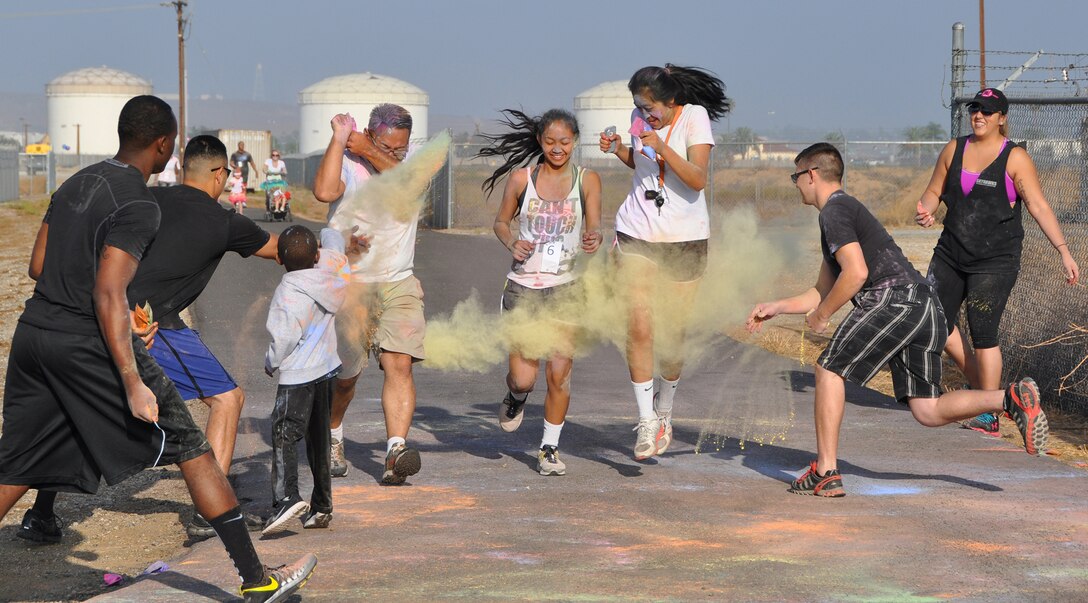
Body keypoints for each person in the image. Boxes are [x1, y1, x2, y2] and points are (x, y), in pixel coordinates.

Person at [0, 95, 316, 601]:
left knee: (17, 462)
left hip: (35, 334)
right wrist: (131, 379)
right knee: (193, 450)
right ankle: (257, 580)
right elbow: (108, 291)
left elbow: (38, 265)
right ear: (165, 145)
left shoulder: (76, 182)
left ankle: (40, 518)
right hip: (89, 342)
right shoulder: (138, 202)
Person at [746, 143, 1050, 497]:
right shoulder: (843, 212)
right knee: (928, 409)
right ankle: (1010, 397)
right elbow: (822, 288)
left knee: (829, 370)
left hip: (895, 300)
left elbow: (856, 274)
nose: (795, 184)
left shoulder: (834, 211)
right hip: (923, 305)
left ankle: (826, 470)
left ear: (811, 174)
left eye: (795, 176)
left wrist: (823, 315)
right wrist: (777, 306)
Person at [20, 134, 279, 543]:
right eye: (227, 174)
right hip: (150, 323)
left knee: (72, 412)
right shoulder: (224, 221)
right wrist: (332, 250)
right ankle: (209, 512)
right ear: (218, 174)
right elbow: (281, 249)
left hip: (93, 318)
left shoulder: (149, 199)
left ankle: (41, 513)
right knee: (228, 400)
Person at [916, 87, 1080, 436]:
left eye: (987, 112)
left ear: (1001, 119)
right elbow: (934, 190)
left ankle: (988, 414)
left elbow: (1038, 206)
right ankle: (989, 395)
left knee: (983, 332)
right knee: (935, 319)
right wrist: (927, 210)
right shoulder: (954, 149)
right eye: (975, 109)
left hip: (994, 259)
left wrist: (1063, 250)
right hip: (950, 252)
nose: (978, 115)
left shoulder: (1015, 157)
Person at [597, 64, 732, 460]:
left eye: (649, 106)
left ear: (671, 101)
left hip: (685, 239)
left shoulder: (695, 118)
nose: (643, 112)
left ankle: (665, 410)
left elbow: (696, 179)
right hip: (636, 230)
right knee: (638, 324)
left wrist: (661, 146)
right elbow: (641, 167)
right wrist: (620, 149)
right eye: (638, 105)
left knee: (672, 336)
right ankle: (645, 421)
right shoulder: (639, 120)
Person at [477, 108, 602, 476]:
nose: (557, 148)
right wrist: (511, 242)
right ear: (539, 141)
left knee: (559, 374)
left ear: (575, 141)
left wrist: (593, 237)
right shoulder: (521, 179)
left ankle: (549, 448)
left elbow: (594, 224)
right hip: (523, 289)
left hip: (566, 289)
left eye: (564, 142)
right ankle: (516, 397)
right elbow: (501, 221)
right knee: (525, 378)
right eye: (550, 141)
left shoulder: (588, 180)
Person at [312, 104, 424, 484]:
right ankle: (332, 433)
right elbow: (324, 191)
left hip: (399, 281)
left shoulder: (411, 170)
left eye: (402, 149)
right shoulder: (348, 163)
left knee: (399, 363)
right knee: (346, 375)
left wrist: (372, 150)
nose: (396, 155)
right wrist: (340, 139)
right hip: (351, 283)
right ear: (371, 136)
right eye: (388, 147)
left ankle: (396, 451)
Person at [263, 226, 349, 535]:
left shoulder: (288, 292)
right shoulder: (332, 273)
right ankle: (322, 506)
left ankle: (287, 498)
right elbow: (335, 244)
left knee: (284, 435)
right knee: (319, 439)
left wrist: (271, 361)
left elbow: (284, 336)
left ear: (279, 260)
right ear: (317, 255)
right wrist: (330, 232)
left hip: (297, 375)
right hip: (327, 369)